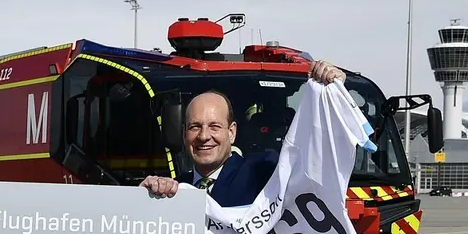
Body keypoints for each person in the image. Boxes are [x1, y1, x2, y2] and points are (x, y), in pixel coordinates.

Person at [141, 60, 347, 206]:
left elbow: (316, 169)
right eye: (195, 127)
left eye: (214, 126)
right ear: (184, 133)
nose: (203, 136)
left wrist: (333, 97)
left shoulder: (262, 172)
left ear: (232, 132)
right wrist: (143, 198)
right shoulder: (176, 188)